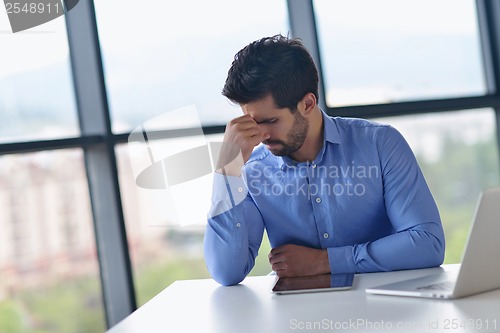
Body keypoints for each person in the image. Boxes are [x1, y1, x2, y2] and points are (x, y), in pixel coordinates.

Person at [204, 34, 445, 286]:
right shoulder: (252, 170)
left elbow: (428, 243)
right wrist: (227, 169)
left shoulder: (380, 144)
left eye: (270, 121)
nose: (260, 135)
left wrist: (325, 261)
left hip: (385, 309)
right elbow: (226, 272)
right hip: (298, 319)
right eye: (251, 122)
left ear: (308, 103)